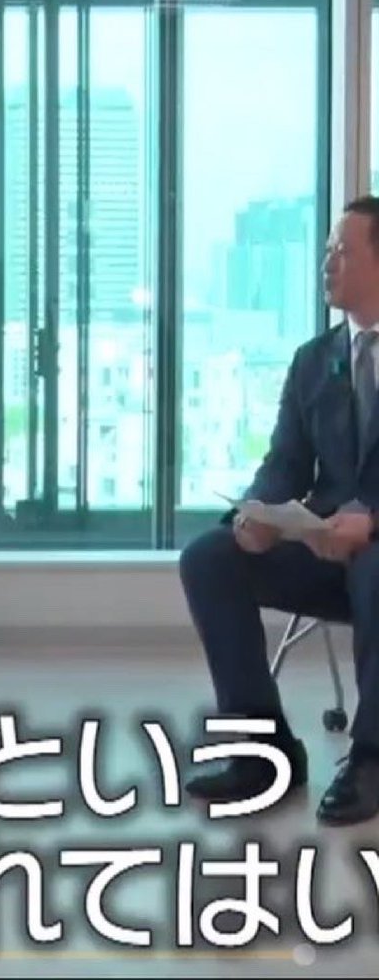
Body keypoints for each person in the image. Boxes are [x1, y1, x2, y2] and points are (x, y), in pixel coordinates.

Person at [181, 195, 379, 827]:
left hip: (375, 551)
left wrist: (372, 523)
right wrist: (261, 513)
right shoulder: (313, 361)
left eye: (342, 251)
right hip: (323, 547)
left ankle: (372, 756)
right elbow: (286, 462)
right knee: (210, 558)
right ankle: (262, 751)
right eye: (325, 251)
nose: (327, 263)